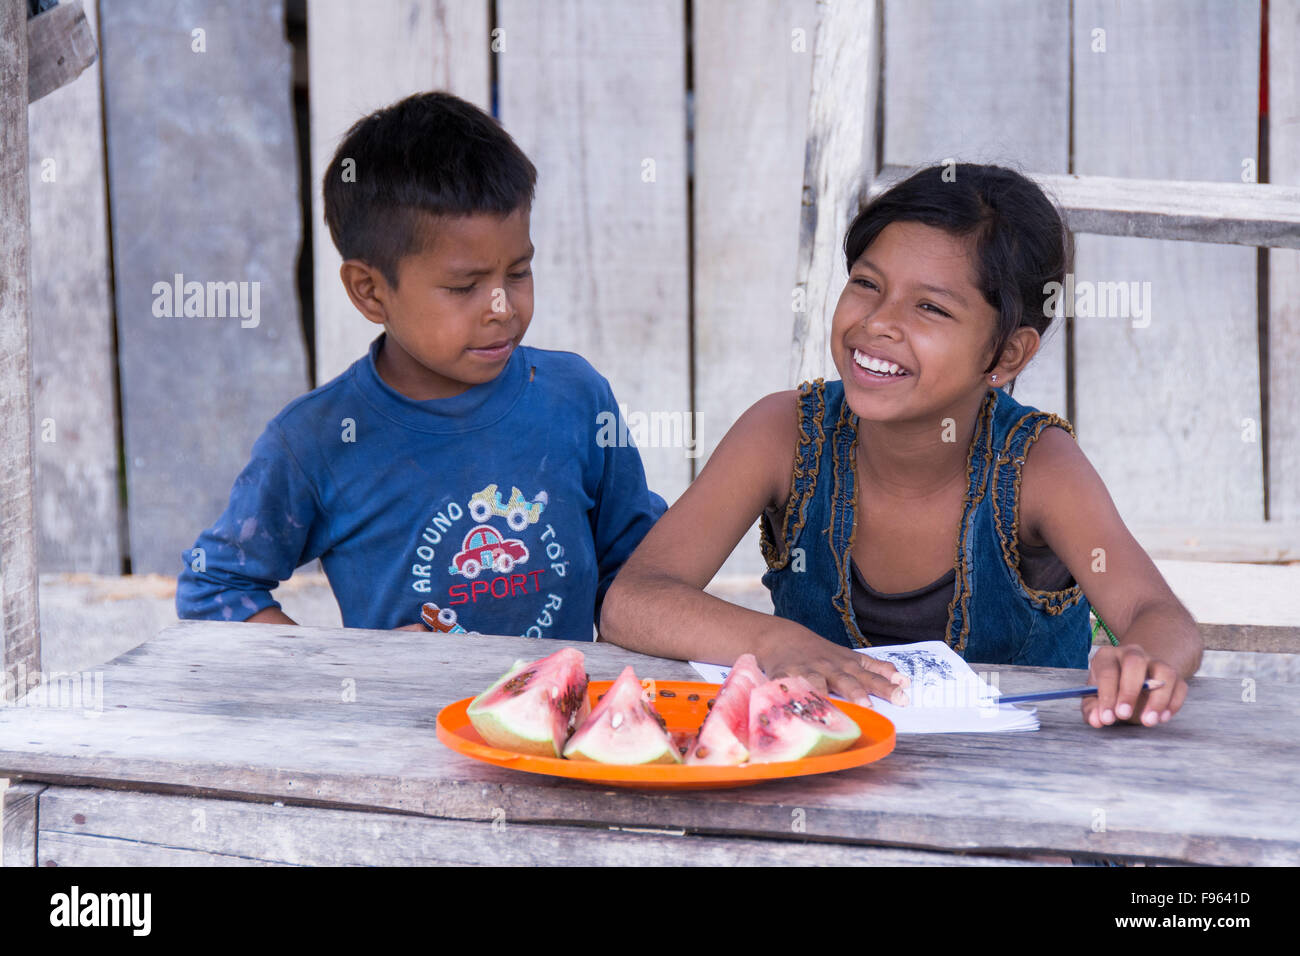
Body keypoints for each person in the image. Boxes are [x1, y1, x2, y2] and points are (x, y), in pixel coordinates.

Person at [601, 163, 1202, 729]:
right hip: (820, 785)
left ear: (1007, 354)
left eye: (930, 307)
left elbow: (1160, 616)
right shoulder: (782, 434)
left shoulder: (1039, 468)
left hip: (1020, 808)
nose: (878, 322)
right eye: (867, 284)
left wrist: (1144, 660)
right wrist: (771, 640)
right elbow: (632, 601)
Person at [176, 91, 665, 638]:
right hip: (402, 724)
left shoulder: (575, 398)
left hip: (566, 720)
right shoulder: (318, 441)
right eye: (464, 286)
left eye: (519, 272)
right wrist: (349, 664)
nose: (502, 308)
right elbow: (216, 586)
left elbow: (640, 573)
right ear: (370, 291)